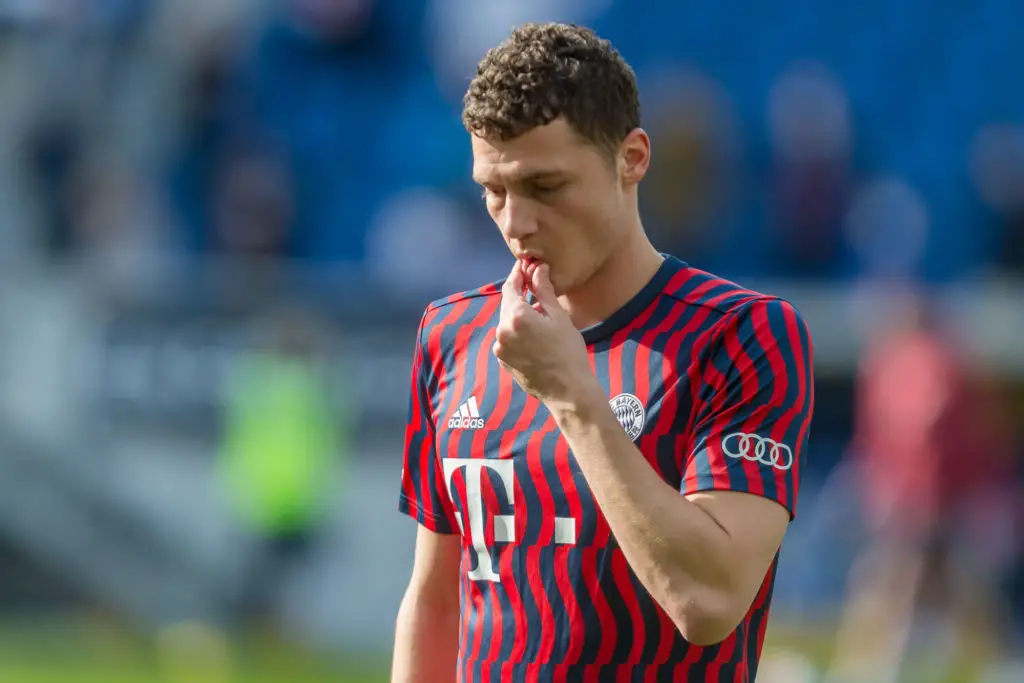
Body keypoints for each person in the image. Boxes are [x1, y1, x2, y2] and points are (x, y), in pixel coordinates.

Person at [392, 23, 815, 682]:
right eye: (493, 190)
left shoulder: (741, 335)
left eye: (546, 186)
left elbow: (707, 601)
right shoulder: (454, 334)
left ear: (632, 158)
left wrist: (571, 395)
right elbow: (437, 600)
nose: (515, 222)